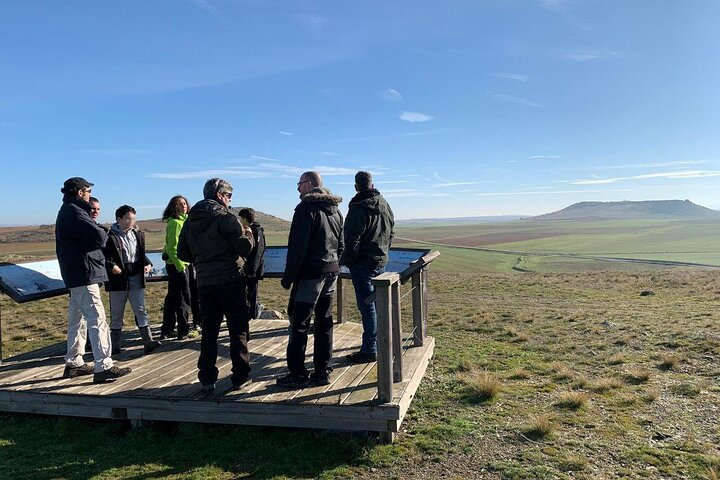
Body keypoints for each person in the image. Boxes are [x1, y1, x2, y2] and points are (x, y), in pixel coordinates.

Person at [178, 178, 255, 393]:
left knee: (209, 331)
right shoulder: (226, 218)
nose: (230, 200)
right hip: (231, 280)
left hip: (204, 282)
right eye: (229, 196)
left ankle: (207, 378)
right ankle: (240, 376)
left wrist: (203, 259)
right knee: (237, 329)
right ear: (220, 196)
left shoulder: (190, 221)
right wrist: (249, 235)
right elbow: (244, 248)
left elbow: (183, 253)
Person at [55, 177, 131, 384]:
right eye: (87, 190)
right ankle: (104, 365)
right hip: (84, 273)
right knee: (97, 319)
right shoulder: (75, 212)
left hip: (77, 273)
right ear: (80, 192)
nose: (89, 194)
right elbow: (99, 237)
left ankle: (74, 363)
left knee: (77, 319)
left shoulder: (70, 210)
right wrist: (104, 231)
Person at [278, 171, 344, 388]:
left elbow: (297, 248)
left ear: (308, 185)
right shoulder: (336, 210)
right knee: (324, 322)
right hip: (331, 271)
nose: (297, 189)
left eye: (299, 184)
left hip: (310, 275)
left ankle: (297, 373)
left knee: (299, 324)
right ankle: (323, 372)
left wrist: (288, 278)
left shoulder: (306, 209)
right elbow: (341, 244)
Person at [341, 171, 395, 363]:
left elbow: (352, 239)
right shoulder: (384, 203)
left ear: (356, 186)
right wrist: (384, 252)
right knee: (377, 304)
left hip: (363, 264)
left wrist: (348, 260)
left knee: (367, 307)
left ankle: (370, 349)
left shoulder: (358, 207)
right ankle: (381, 344)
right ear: (372, 184)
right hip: (380, 260)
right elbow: (391, 231)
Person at [103, 205, 161, 355]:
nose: (131, 221)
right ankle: (115, 347)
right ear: (119, 219)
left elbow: (139, 253)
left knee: (140, 309)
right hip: (118, 279)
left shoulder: (137, 234)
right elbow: (104, 256)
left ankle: (148, 342)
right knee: (117, 313)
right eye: (128, 218)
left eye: (133, 218)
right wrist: (112, 266)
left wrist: (147, 263)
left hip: (136, 276)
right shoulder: (109, 236)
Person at [160, 195, 193, 340]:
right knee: (182, 298)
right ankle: (183, 331)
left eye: (185, 203)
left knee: (173, 297)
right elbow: (173, 247)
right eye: (179, 204)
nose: (183, 206)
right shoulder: (175, 223)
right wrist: (181, 267)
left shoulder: (184, 221)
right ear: (173, 207)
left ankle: (167, 329)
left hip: (178, 264)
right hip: (178, 265)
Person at [238, 208, 266, 320]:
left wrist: (252, 270)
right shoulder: (250, 230)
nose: (239, 220)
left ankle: (252, 315)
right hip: (248, 268)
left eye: (241, 218)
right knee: (246, 292)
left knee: (252, 292)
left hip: (252, 268)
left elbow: (257, 252)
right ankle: (248, 314)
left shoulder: (256, 231)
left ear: (245, 218)